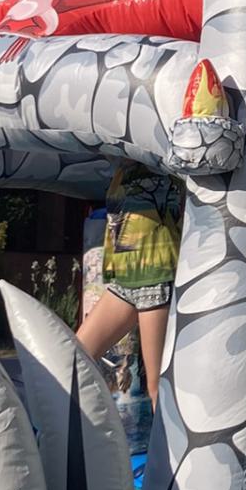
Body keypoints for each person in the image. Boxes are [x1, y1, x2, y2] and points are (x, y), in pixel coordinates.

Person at [75, 162, 184, 405]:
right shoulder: (121, 169)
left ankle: (164, 432)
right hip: (123, 281)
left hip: (155, 277)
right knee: (75, 358)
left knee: (157, 387)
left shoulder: (163, 164)